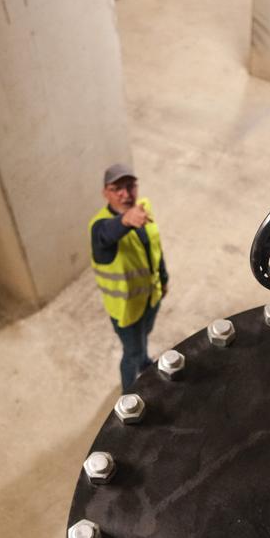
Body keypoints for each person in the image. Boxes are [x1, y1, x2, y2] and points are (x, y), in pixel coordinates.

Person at [90, 164, 169, 391]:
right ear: (106, 193)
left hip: (150, 298)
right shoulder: (99, 227)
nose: (126, 194)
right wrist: (125, 220)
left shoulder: (143, 209)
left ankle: (145, 363)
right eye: (117, 189)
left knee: (144, 339)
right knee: (131, 353)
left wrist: (163, 279)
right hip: (126, 311)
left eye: (130, 186)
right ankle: (128, 393)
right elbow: (106, 233)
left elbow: (154, 248)